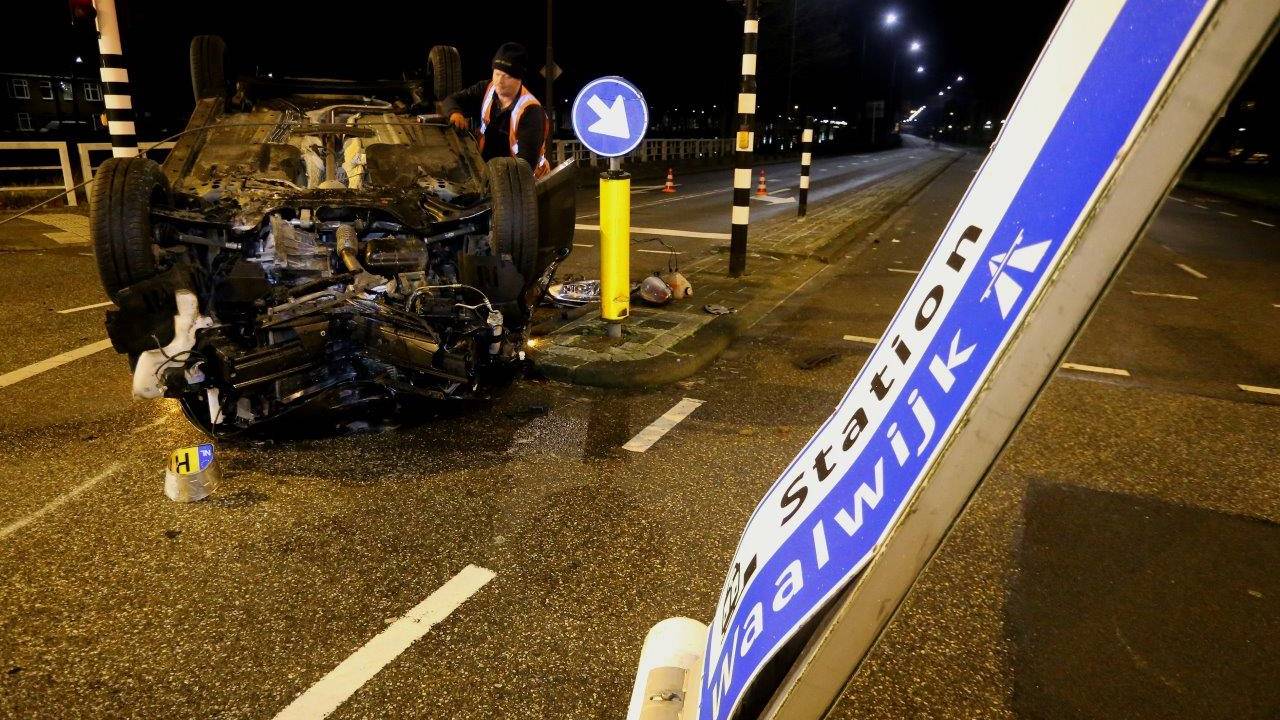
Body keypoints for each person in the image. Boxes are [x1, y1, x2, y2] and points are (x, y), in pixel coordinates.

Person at [441, 42, 551, 178]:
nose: (499, 81)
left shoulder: (531, 111)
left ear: (519, 79)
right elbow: (450, 100)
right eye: (497, 73)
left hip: (522, 183)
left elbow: (526, 165)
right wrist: (454, 112)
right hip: (487, 172)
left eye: (507, 76)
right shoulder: (486, 88)